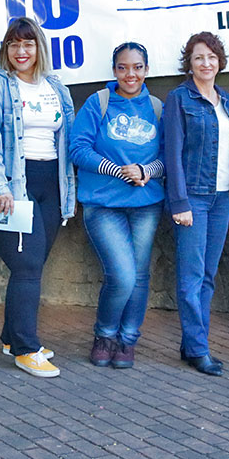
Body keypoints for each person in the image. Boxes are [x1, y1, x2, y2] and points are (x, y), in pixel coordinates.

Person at [0, 16, 75, 378]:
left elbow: (67, 139)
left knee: (32, 265)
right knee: (27, 266)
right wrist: (0, 189)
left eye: (28, 44)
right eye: (14, 44)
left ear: (39, 48)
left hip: (52, 184)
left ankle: (12, 337)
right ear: (5, 49)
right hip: (15, 185)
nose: (21, 51)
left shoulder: (56, 88)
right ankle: (27, 350)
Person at [69, 42, 164, 370]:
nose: (130, 74)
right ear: (114, 70)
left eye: (137, 67)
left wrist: (145, 171)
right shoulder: (99, 103)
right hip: (103, 203)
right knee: (122, 275)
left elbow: (169, 157)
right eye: (123, 67)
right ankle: (105, 334)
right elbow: (77, 149)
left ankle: (127, 340)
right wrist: (115, 170)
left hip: (146, 203)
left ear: (146, 70)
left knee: (139, 276)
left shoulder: (156, 107)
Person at [163, 32, 229, 376]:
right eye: (198, 58)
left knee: (208, 275)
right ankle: (198, 348)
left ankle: (192, 342)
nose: (206, 63)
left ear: (220, 61)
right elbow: (172, 154)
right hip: (192, 197)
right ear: (189, 64)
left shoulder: (227, 101)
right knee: (191, 277)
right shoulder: (179, 99)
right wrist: (179, 202)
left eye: (211, 57)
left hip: (222, 196)